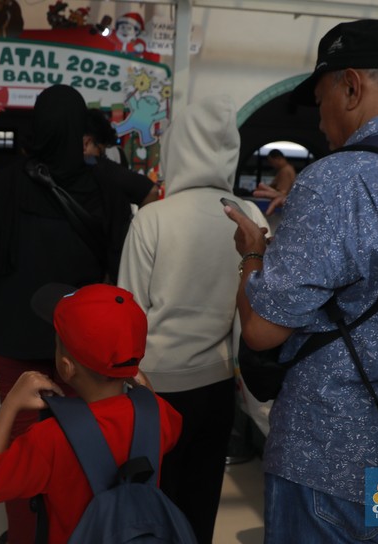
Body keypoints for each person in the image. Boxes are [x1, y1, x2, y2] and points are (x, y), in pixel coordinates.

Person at [224, 19, 378, 543]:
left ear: (351, 86)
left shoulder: (339, 179)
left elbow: (261, 329)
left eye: (322, 99)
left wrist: (254, 254)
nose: (320, 120)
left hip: (326, 466)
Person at [0, 84, 134, 543]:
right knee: (81, 450)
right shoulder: (105, 188)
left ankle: (24, 535)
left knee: (21, 450)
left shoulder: (5, 183)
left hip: (16, 338)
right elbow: (118, 269)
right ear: (80, 129)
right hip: (83, 346)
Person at [118, 94, 269, 544]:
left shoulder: (152, 218)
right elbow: (252, 314)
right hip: (218, 388)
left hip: (152, 391)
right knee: (200, 505)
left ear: (177, 147)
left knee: (149, 504)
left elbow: (127, 313)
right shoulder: (251, 218)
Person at [0, 283, 182, 544]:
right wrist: (144, 391)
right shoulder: (159, 414)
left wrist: (11, 403)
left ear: (66, 366)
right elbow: (168, 432)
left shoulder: (49, 438)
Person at [84, 108, 159, 209]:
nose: (102, 157)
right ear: (87, 143)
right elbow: (151, 191)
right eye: (101, 151)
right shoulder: (101, 165)